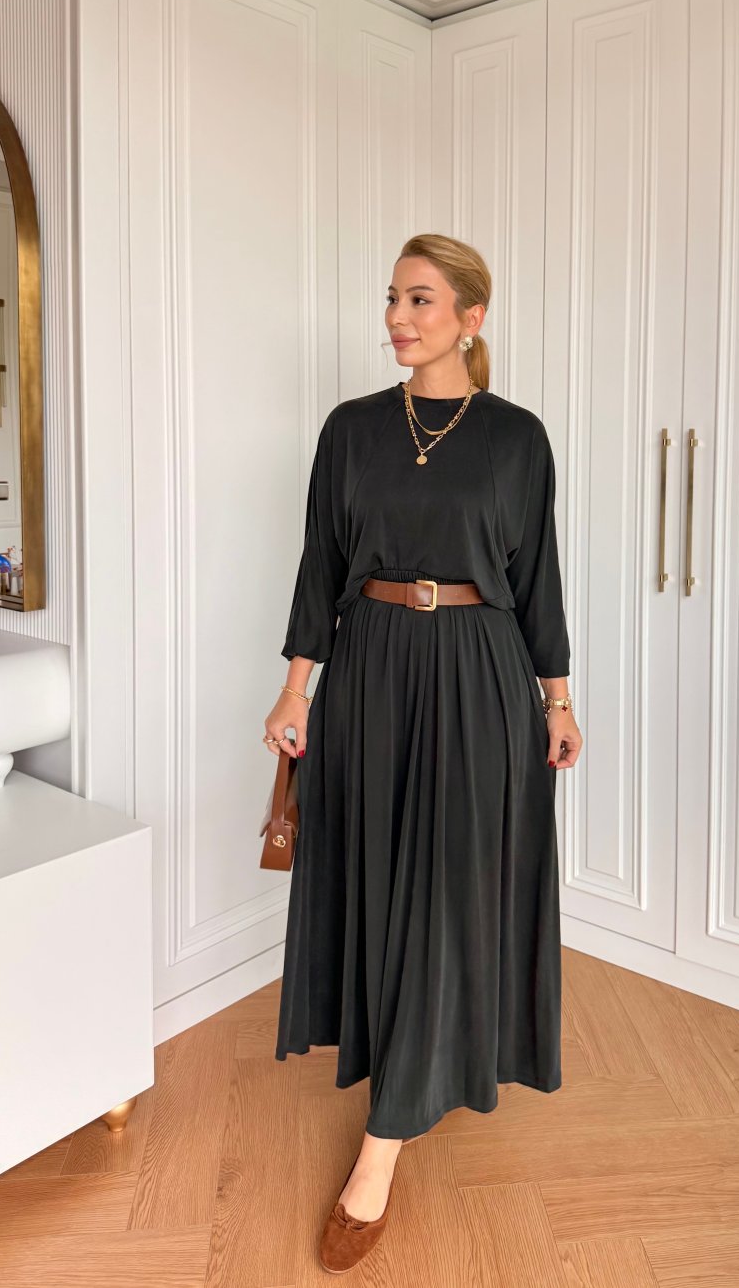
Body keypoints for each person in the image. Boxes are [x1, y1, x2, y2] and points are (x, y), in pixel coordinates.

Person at [262, 233, 583, 1272]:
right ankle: (413, 1062)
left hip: (481, 678)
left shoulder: (518, 439)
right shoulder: (351, 429)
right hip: (371, 672)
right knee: (386, 883)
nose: (398, 317)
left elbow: (538, 580)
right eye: (393, 298)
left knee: (448, 892)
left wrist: (559, 700)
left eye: (422, 299)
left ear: (470, 318)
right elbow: (320, 566)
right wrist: (296, 687)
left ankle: (383, 1142)